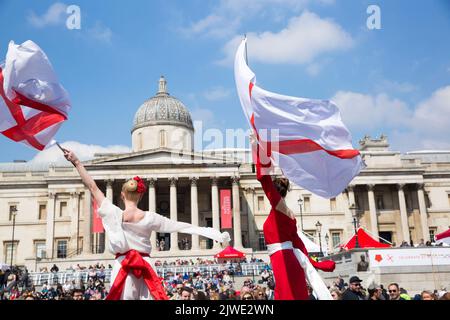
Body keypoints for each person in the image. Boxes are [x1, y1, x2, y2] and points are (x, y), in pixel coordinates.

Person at [63, 148, 230, 300]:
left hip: (123, 265)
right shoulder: (151, 217)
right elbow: (182, 226)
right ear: (141, 196)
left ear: (122, 195)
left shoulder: (114, 214)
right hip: (146, 266)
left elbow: (92, 187)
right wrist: (211, 233)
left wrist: (76, 162)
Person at [250, 134, 335, 300]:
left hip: (283, 261)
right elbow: (298, 243)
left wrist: (258, 147)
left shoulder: (278, 207)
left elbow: (263, 178)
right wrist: (317, 263)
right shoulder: (289, 213)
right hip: (290, 260)